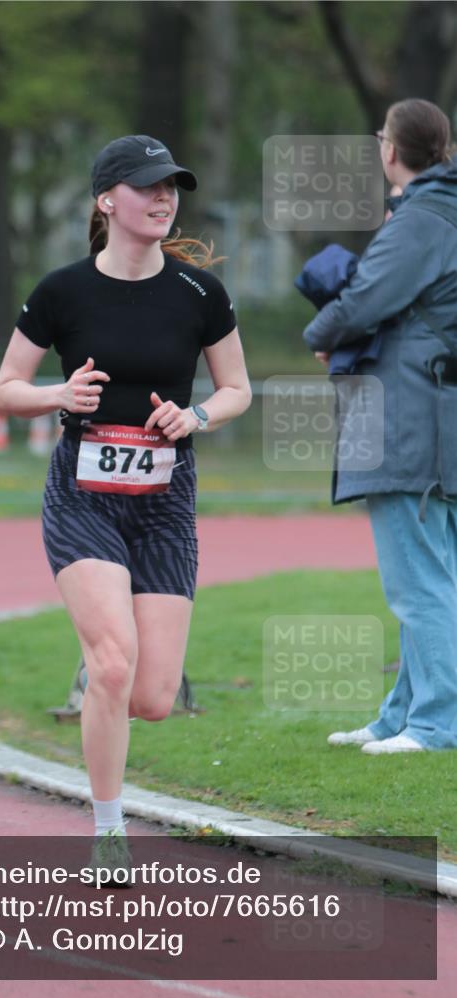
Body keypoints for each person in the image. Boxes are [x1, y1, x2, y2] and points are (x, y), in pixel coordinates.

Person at [0, 135, 252, 860]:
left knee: (151, 698)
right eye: (147, 186)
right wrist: (56, 395)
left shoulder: (199, 293)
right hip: (84, 493)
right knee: (116, 663)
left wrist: (195, 416)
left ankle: (102, 664)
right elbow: (4, 388)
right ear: (107, 200)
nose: (164, 197)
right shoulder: (62, 291)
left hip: (165, 497)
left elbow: (237, 390)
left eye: (172, 186)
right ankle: (109, 830)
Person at [302, 99, 457, 753]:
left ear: (389, 150)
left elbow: (365, 296)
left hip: (409, 418)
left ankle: (436, 723)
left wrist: (319, 331)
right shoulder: (438, 211)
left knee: (417, 581)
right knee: (429, 573)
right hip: (437, 412)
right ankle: (401, 713)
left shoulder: (421, 217)